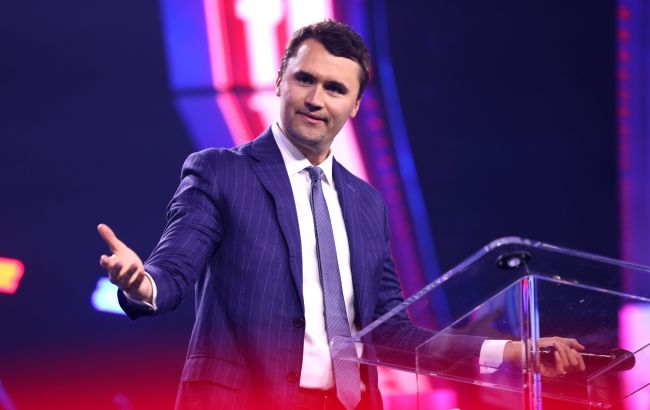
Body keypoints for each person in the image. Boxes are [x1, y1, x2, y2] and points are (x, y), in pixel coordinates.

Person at [98, 20, 585, 410]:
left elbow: (391, 334)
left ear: (354, 106)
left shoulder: (367, 203)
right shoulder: (221, 171)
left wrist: (512, 351)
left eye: (335, 88)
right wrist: (142, 283)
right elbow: (173, 271)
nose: (316, 99)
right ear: (280, 83)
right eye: (304, 80)